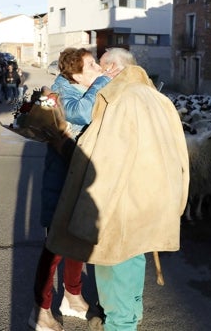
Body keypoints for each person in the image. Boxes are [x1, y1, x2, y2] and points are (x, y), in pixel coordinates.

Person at [46, 48, 189, 331]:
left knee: (117, 276)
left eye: (100, 68)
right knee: (135, 264)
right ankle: (132, 317)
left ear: (112, 68)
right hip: (154, 200)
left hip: (123, 205)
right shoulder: (158, 98)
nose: (99, 75)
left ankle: (122, 324)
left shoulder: (120, 100)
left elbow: (106, 162)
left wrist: (88, 216)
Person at [29, 48, 119, 331]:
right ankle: (41, 311)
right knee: (54, 247)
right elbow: (81, 113)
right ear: (75, 74)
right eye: (91, 65)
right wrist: (103, 81)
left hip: (78, 185)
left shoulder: (78, 88)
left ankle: (72, 297)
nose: (98, 69)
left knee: (77, 243)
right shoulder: (60, 94)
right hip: (60, 188)